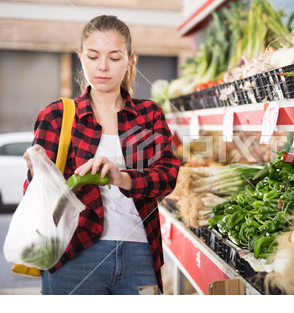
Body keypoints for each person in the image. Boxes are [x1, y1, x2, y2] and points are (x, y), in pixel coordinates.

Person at [23, 15, 180, 295]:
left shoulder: (149, 115)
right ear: (81, 56)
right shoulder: (56, 116)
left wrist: (122, 177)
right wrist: (38, 176)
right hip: (73, 253)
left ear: (131, 60)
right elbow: (38, 200)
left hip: (140, 254)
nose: (103, 67)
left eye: (115, 58)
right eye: (94, 56)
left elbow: (167, 176)